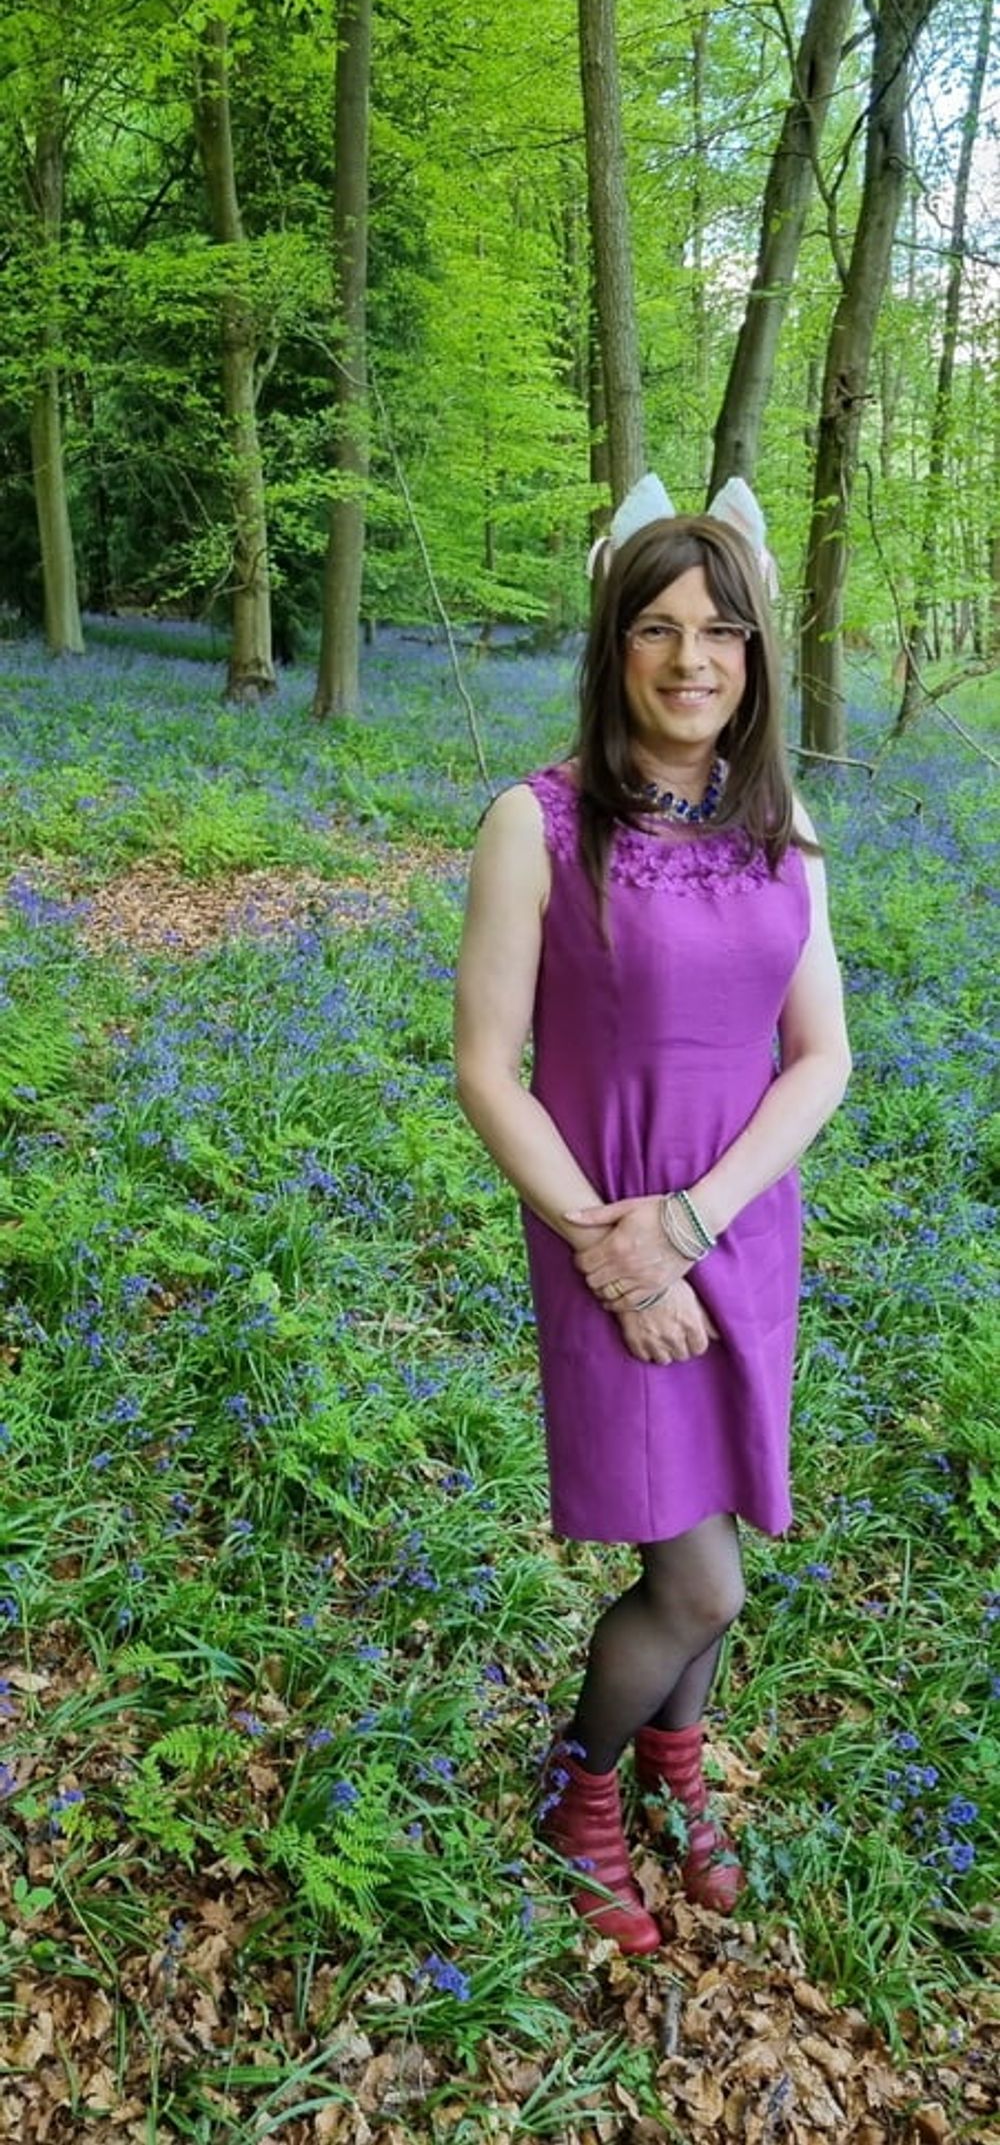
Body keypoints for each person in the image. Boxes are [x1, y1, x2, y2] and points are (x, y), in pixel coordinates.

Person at [453, 475, 851, 1956]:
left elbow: (823, 1057)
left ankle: (678, 1766)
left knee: (706, 1542)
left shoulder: (780, 820)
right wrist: (617, 1249)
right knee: (699, 1578)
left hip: (737, 1222)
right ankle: (585, 1791)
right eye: (662, 628)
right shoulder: (536, 822)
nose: (696, 659)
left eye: (725, 632)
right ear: (613, 641)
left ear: (756, 657)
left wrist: (696, 1220)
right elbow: (487, 1067)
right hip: (596, 1227)